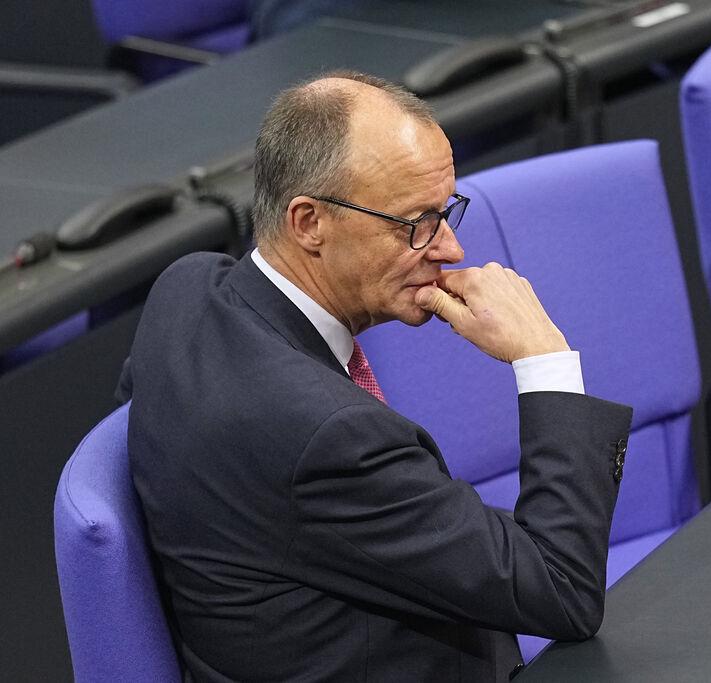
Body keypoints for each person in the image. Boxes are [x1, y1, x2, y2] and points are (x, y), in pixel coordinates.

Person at [120, 71, 632, 682]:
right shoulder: (326, 437)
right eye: (415, 223)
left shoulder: (187, 289)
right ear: (309, 222)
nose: (449, 250)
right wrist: (545, 361)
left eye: (446, 214)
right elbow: (562, 590)